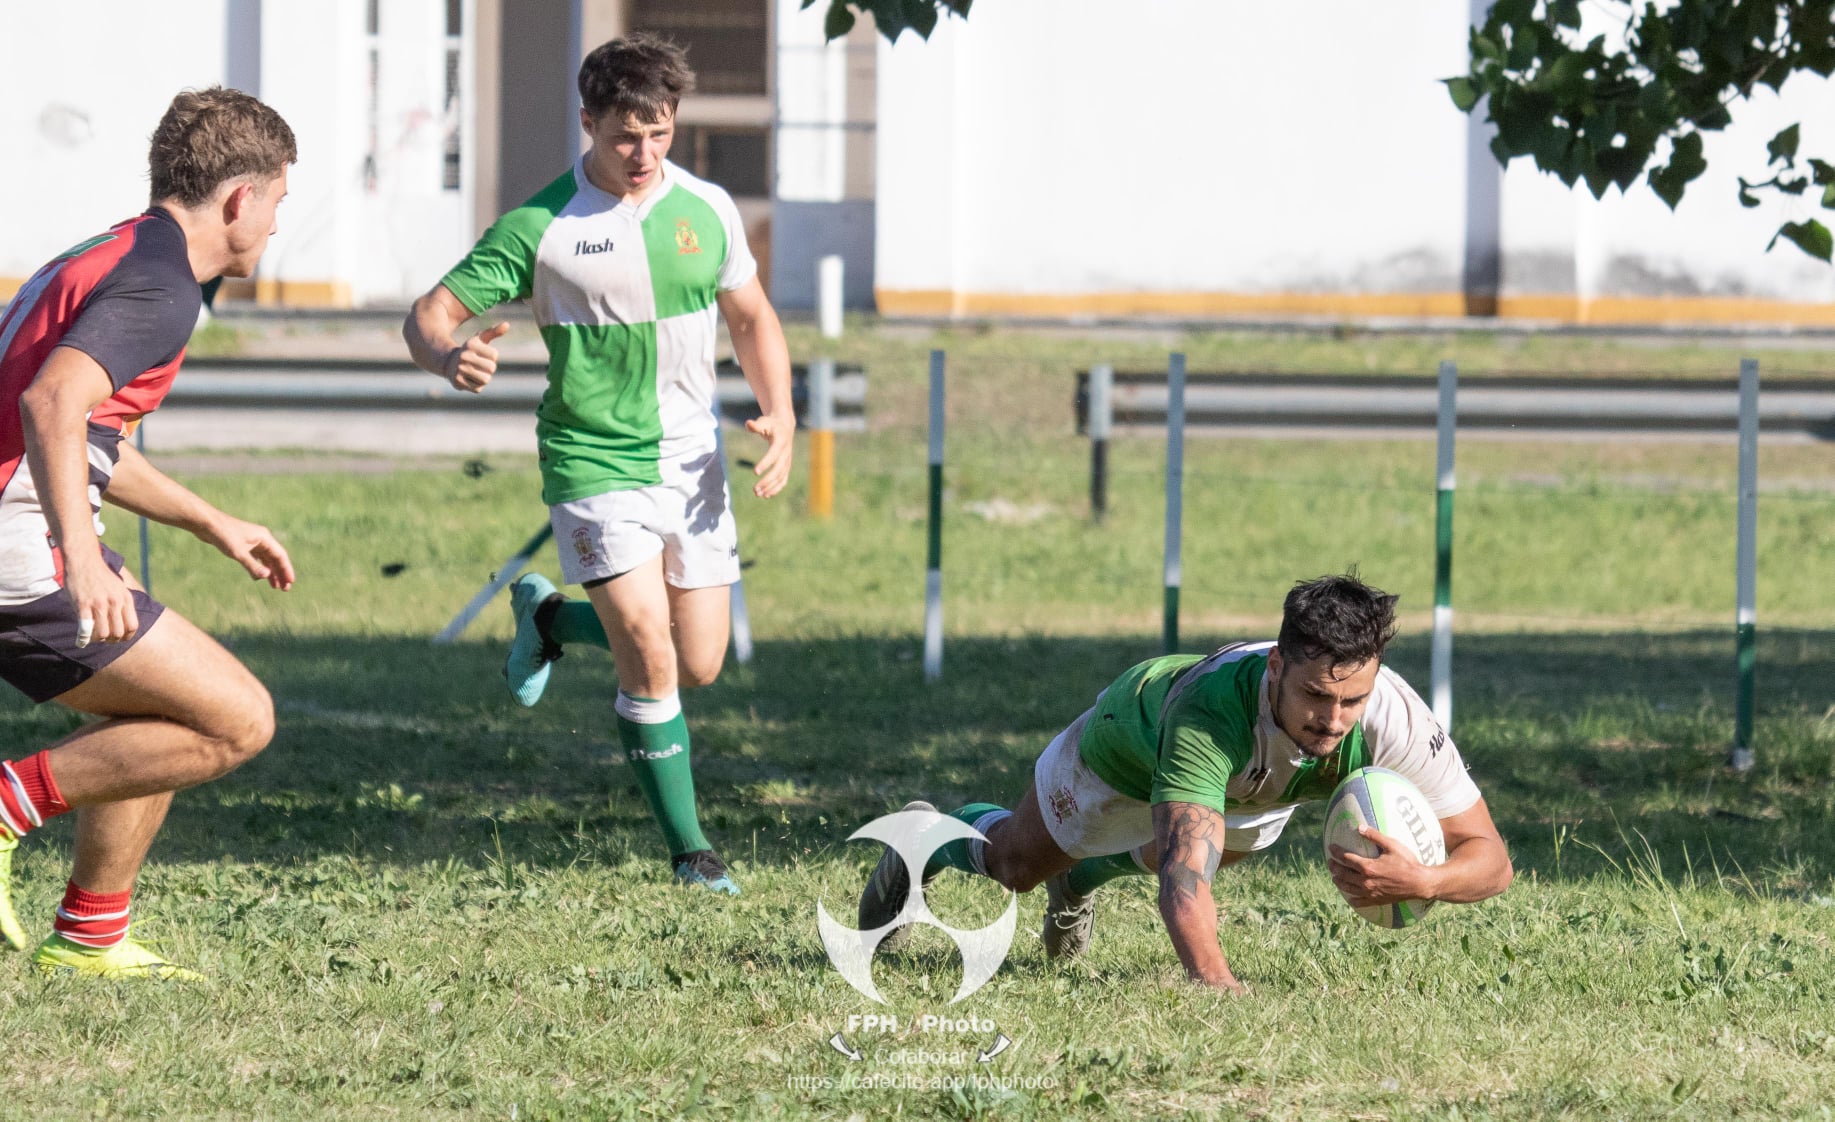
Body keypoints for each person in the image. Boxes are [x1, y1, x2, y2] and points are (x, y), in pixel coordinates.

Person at [403, 34, 794, 897]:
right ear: (588, 123)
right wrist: (447, 357)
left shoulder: (708, 209)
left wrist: (784, 414)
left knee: (699, 663)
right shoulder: (540, 227)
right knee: (651, 655)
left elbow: (752, 316)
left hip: (690, 458)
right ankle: (692, 851)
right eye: (625, 136)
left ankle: (547, 623)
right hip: (590, 460)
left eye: (659, 134)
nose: (644, 154)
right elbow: (429, 314)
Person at [857, 573, 1513, 993]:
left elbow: (1490, 858)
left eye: (1352, 701)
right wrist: (1217, 986)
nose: (1333, 720)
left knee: (1218, 842)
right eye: (1315, 695)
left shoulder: (1393, 717)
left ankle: (1083, 877)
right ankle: (926, 836)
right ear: (1276, 665)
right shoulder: (1210, 713)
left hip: (1253, 787)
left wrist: (1426, 882)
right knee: (1015, 867)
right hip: (1129, 744)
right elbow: (1182, 876)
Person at [0, 88, 298, 980]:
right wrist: (82, 559)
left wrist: (212, 522)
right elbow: (49, 405)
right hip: (19, 539)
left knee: (161, 702)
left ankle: (91, 933)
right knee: (236, 720)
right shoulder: (161, 285)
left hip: (24, 520)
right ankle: (9, 802)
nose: (277, 227)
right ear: (240, 198)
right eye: (280, 202)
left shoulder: (119, 252)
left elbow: (85, 436)